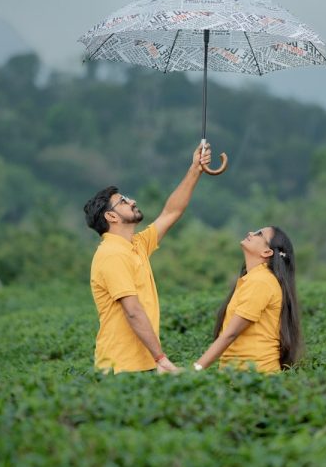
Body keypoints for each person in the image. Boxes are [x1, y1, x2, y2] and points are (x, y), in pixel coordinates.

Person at [83, 143, 212, 374]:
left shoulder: (136, 244)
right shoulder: (111, 254)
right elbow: (132, 310)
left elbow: (171, 212)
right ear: (111, 216)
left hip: (142, 364)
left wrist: (195, 169)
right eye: (123, 201)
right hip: (121, 368)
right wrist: (161, 358)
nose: (132, 201)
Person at [192, 226, 302, 373]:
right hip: (240, 375)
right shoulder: (254, 279)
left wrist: (194, 370)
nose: (251, 233)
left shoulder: (261, 282)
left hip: (255, 376)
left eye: (259, 234)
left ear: (267, 252)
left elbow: (230, 334)